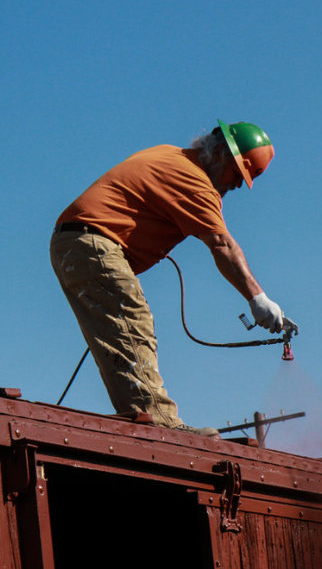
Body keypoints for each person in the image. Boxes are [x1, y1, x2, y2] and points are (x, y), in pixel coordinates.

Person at [50, 120, 296, 435]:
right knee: (133, 322)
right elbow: (222, 245)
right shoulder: (193, 180)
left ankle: (140, 420)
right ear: (220, 153)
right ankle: (162, 427)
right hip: (92, 243)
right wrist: (258, 299)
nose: (237, 185)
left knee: (120, 333)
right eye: (238, 173)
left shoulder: (170, 155)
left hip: (76, 244)